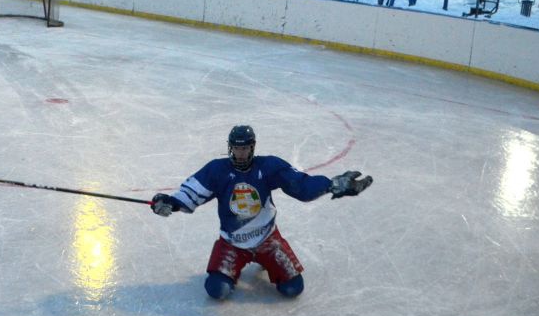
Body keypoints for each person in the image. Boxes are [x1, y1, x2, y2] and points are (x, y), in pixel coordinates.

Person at [150, 125, 373, 300]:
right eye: (237, 148)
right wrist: (170, 202)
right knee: (216, 290)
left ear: (252, 147)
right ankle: (242, 263)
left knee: (293, 290)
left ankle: (264, 259)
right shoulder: (217, 170)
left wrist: (331, 184)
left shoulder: (268, 167)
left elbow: (301, 186)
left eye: (245, 148)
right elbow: (193, 192)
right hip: (232, 242)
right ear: (230, 147)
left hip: (267, 239)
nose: (240, 153)